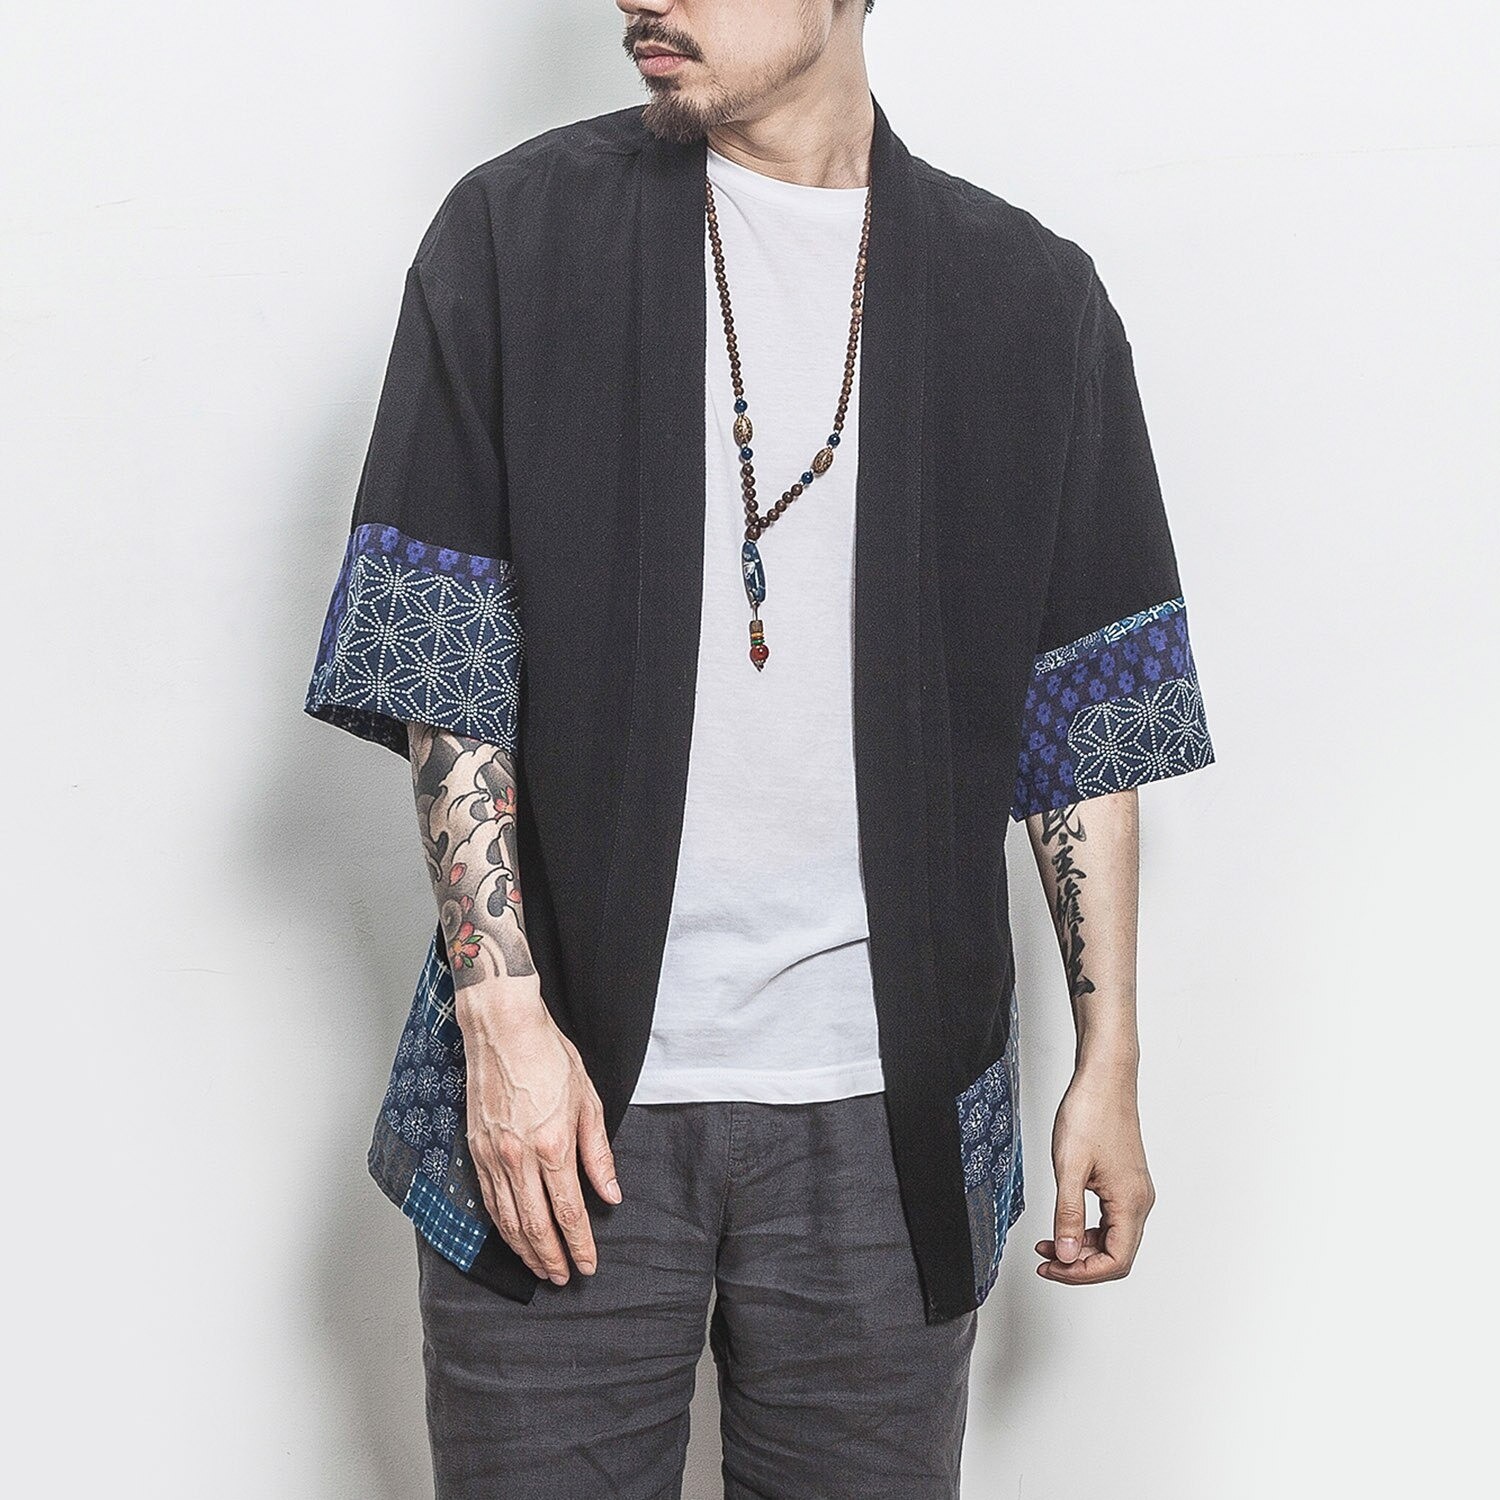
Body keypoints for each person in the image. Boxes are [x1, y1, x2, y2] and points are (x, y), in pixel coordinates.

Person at [302, 1, 1216, 1494]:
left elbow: (1084, 719)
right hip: (562, 1094)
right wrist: (502, 1022)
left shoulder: (1026, 298)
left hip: (887, 1119)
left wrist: (1107, 1063)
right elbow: (443, 657)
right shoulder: (519, 237)